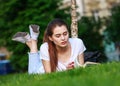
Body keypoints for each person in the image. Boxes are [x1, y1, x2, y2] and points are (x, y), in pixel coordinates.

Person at [12, 18, 86, 74]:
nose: (63, 38)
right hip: (42, 68)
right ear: (50, 38)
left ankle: (31, 40)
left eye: (65, 33)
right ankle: (33, 42)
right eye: (58, 36)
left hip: (47, 59)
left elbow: (82, 69)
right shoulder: (45, 47)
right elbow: (49, 75)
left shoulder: (78, 43)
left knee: (34, 51)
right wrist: (66, 71)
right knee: (32, 73)